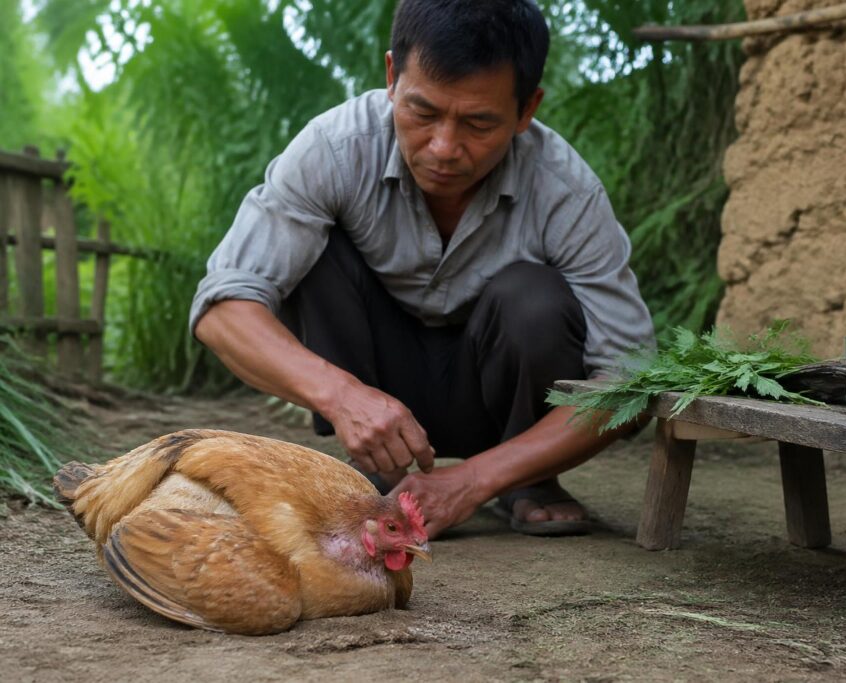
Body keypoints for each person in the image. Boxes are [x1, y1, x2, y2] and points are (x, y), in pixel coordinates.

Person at [190, 0, 655, 539]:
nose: (444, 148)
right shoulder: (334, 149)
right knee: (315, 256)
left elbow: (629, 379)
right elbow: (223, 308)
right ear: (391, 77)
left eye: (479, 123)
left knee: (535, 297)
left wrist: (475, 480)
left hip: (497, 405)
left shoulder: (565, 189)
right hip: (373, 383)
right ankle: (374, 467)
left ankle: (527, 479)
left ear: (527, 109)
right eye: (423, 112)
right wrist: (342, 395)